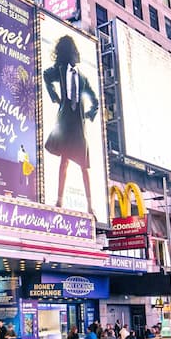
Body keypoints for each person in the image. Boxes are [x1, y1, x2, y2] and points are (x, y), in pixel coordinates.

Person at [43, 35, 100, 213]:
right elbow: (46, 75)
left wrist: (89, 114)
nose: (76, 54)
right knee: (64, 161)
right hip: (65, 122)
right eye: (73, 51)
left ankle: (90, 205)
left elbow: (95, 101)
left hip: (78, 125)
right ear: (69, 52)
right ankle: (59, 201)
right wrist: (55, 97)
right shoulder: (60, 70)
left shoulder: (82, 78)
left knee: (84, 165)